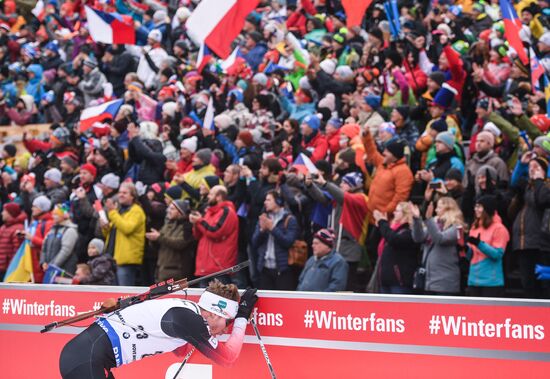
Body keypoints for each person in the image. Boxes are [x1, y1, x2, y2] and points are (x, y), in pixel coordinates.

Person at [59, 281, 258, 379]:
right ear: (214, 314)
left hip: (84, 357)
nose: (226, 330)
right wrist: (242, 318)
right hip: (86, 359)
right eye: (228, 323)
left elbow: (179, 351)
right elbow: (228, 359)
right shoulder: (188, 319)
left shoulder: (186, 314)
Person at [411, 197, 465, 295]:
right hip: (429, 280)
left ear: (449, 209)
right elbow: (418, 238)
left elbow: (440, 239)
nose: (436, 210)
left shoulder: (457, 227)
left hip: (445, 282)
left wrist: (429, 220)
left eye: (439, 208)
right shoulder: (435, 224)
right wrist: (416, 219)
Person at [189, 185, 238, 286]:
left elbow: (216, 232)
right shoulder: (209, 212)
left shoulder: (227, 211)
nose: (208, 197)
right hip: (205, 267)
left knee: (220, 299)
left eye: (211, 194)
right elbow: (198, 235)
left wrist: (199, 221)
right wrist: (195, 223)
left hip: (219, 267)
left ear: (219, 196)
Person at [251, 190, 300, 290]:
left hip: (283, 270)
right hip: (264, 268)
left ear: (278, 201)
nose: (265, 202)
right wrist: (262, 230)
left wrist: (272, 228)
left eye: (268, 200)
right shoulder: (264, 218)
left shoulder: (290, 219)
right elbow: (254, 243)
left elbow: (288, 242)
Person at [101, 182, 146, 286]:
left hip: (126, 260)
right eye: (120, 192)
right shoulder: (120, 211)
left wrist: (112, 212)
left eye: (125, 193)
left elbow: (127, 228)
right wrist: (105, 227)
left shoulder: (136, 211)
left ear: (132, 196)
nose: (121, 195)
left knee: (124, 294)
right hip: (113, 259)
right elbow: (110, 233)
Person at [466, 195, 510, 297]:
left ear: (487, 209)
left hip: (491, 282)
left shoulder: (499, 229)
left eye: (479, 207)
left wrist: (479, 244)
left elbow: (497, 254)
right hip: (474, 280)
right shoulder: (474, 227)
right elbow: (470, 256)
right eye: (475, 206)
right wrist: (464, 249)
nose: (476, 209)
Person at [373, 202, 419, 294]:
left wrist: (382, 222)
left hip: (399, 281)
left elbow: (394, 240)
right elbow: (376, 241)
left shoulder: (409, 231)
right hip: (385, 279)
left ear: (405, 214)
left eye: (397, 211)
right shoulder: (393, 229)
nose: (394, 213)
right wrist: (379, 225)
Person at [145, 199, 195, 282]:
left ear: (180, 211)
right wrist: (153, 240)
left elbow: (180, 243)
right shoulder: (168, 225)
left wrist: (159, 237)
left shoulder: (187, 226)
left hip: (177, 272)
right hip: (162, 270)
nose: (168, 211)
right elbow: (160, 244)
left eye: (172, 209)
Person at [39, 204, 78, 276]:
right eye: (53, 214)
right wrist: (43, 262)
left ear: (64, 215)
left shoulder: (70, 230)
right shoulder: (52, 230)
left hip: (64, 270)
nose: (54, 216)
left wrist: (52, 265)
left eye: (56, 214)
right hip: (50, 269)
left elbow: (66, 251)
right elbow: (44, 247)